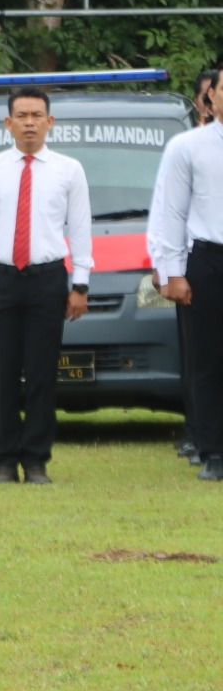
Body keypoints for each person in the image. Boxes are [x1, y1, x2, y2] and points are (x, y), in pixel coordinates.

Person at [0, 85, 92, 485]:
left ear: (50, 122)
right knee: (2, 374)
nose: (29, 123)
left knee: (41, 374)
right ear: (8, 123)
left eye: (37, 115)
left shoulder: (69, 170)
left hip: (47, 280)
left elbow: (80, 228)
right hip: (2, 278)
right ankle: (3, 461)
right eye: (22, 116)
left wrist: (80, 284)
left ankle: (36, 460)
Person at [153, 74, 223, 482]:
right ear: (211, 96)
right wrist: (173, 272)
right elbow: (172, 212)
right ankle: (213, 452)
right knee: (208, 360)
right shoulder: (187, 147)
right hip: (210, 259)